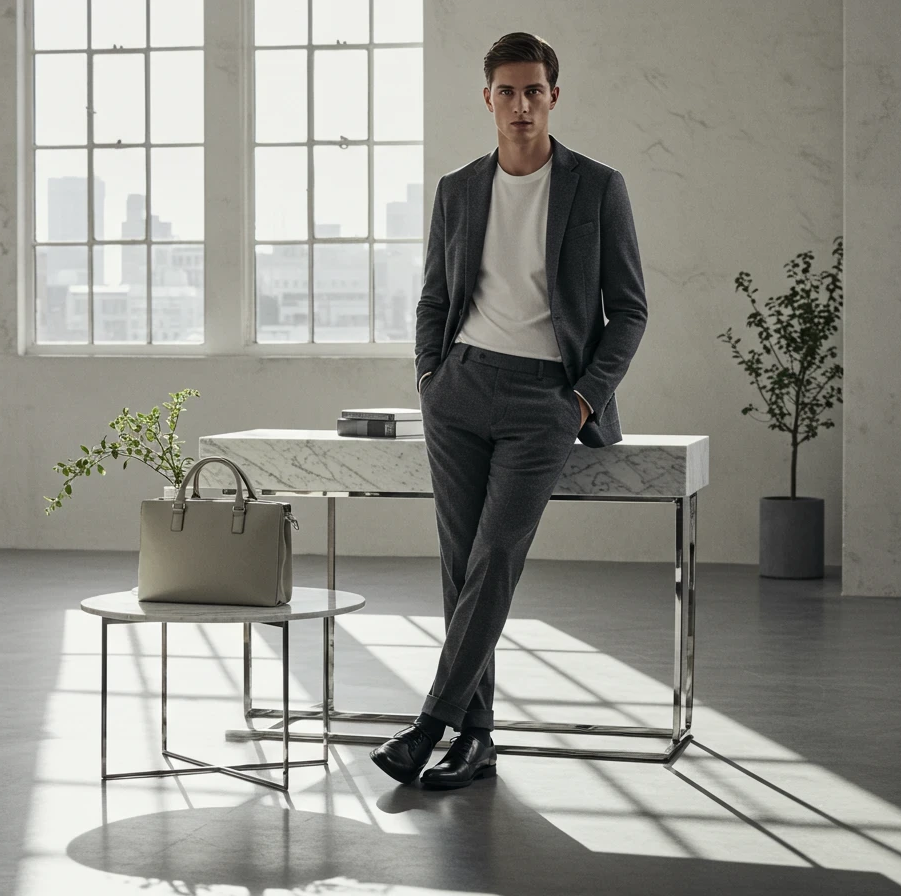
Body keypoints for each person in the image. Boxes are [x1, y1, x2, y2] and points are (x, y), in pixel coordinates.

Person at [369, 32, 648, 789]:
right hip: (459, 392)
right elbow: (433, 295)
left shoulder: (597, 186)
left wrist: (583, 397)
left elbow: (628, 310)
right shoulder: (458, 189)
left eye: (534, 90)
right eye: (507, 91)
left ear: (554, 96)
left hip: (545, 401)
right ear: (487, 98)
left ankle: (431, 724)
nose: (521, 104)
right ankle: (479, 739)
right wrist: (431, 375)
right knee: (462, 571)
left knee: (496, 557)